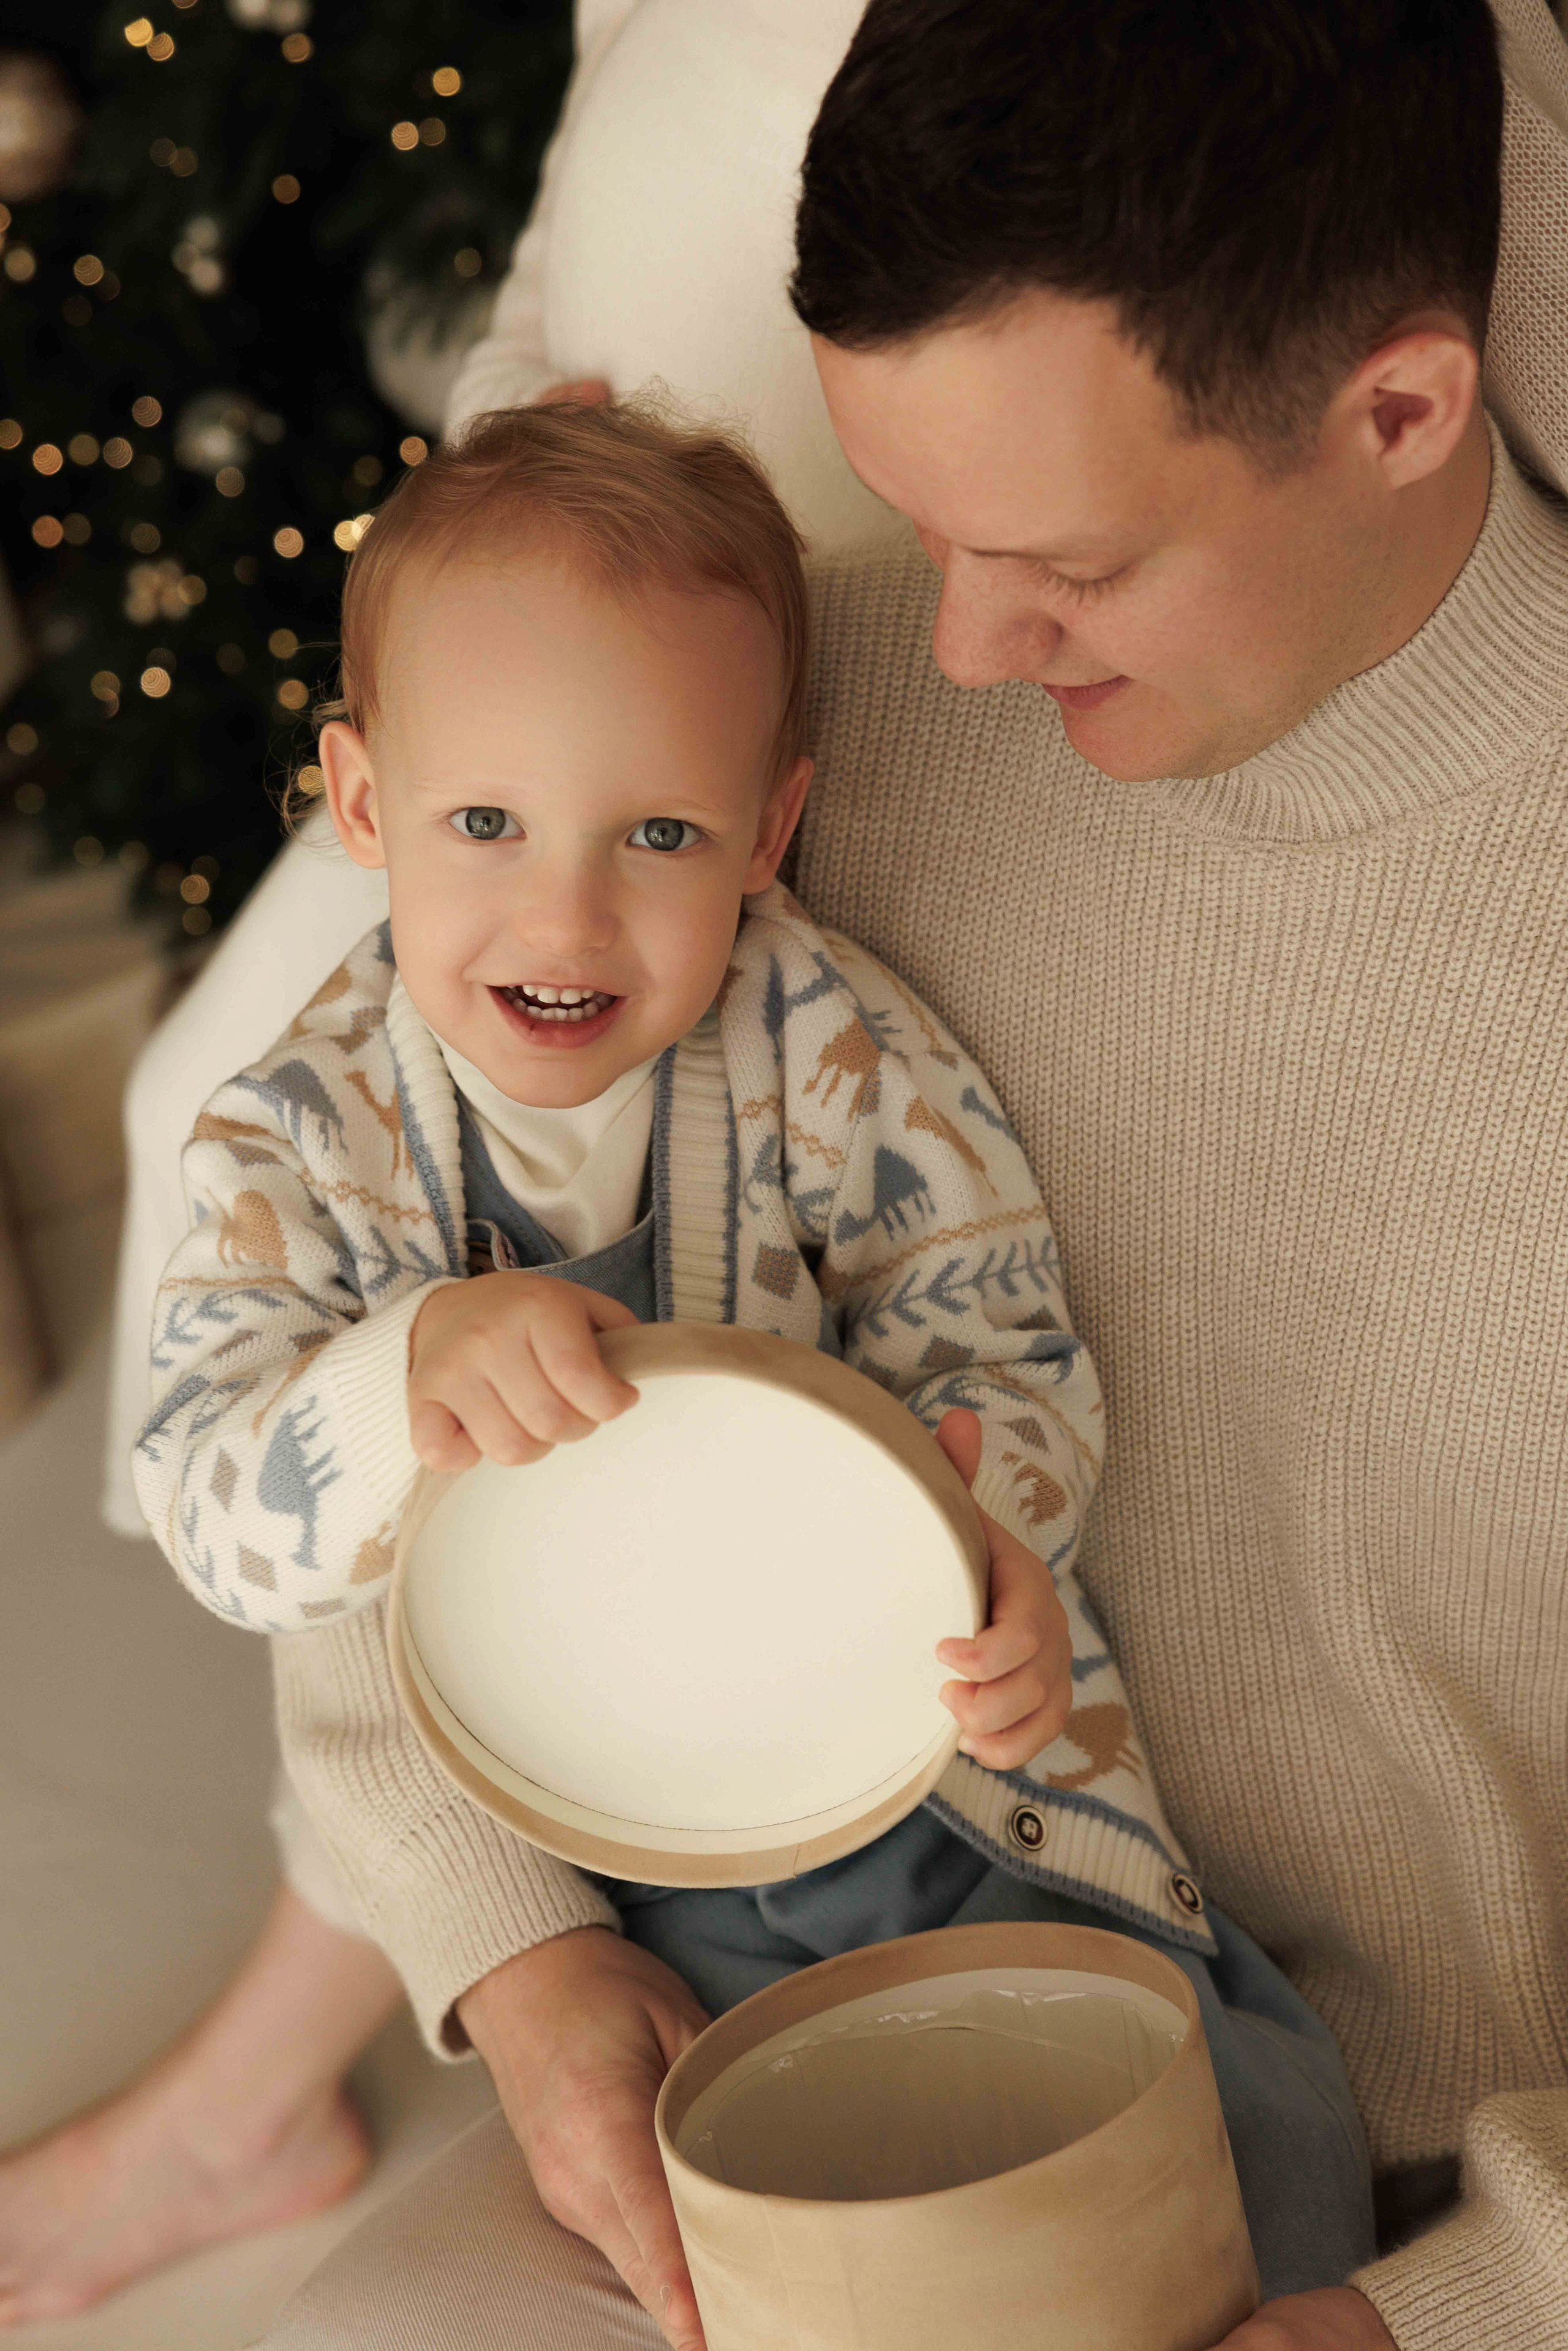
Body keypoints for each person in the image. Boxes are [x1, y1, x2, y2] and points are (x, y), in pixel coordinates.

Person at [241, 2, 1568, 2349]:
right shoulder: (756, 743)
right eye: (916, 522)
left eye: (1059, 558)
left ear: (1399, 411)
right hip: (824, 2041)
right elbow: (377, 1285)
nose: (952, 645)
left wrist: (1456, 2311)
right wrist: (517, 1950)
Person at [129, 393, 1372, 2310]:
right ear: (364, 804)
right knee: (787, 2241)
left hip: (946, 1788)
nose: (567, 911)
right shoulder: (293, 1146)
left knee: (1233, 2153)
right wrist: (395, 1382)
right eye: (482, 823)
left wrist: (995, 1542)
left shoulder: (824, 1040)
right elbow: (213, 1518)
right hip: (620, 1857)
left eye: (659, 832)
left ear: (768, 829)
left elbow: (997, 1331)